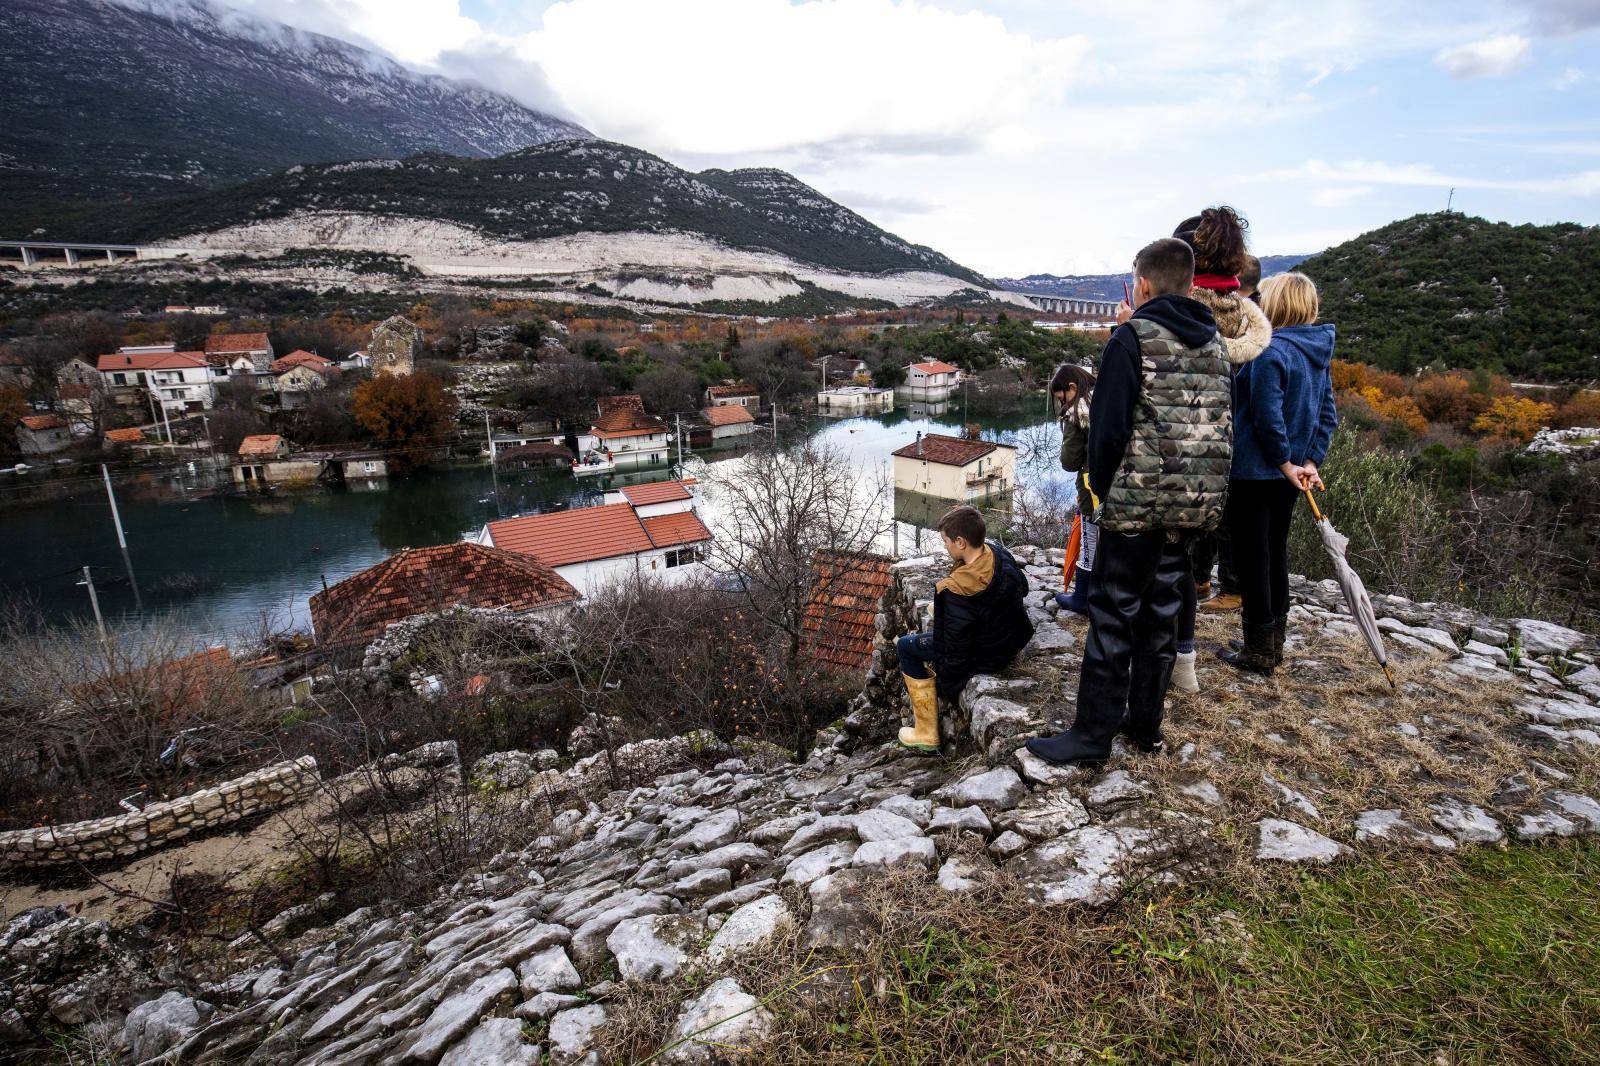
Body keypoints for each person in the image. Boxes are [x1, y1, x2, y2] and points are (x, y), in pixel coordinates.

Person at [1026, 238, 1232, 766]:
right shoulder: (1216, 344)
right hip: (1193, 503)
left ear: (1142, 283)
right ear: (1189, 283)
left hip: (1135, 505)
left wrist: (1101, 487)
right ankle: (1144, 727)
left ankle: (1091, 736)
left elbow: (1108, 431)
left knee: (1114, 615)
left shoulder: (1131, 338)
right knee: (1162, 615)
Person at [1169, 208, 1272, 691]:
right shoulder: (1240, 322)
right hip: (1223, 458)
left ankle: (1163, 666)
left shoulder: (1181, 320)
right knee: (1192, 563)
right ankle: (1186, 659)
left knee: (1168, 567)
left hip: (1173, 461)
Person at [1218, 271, 1338, 674]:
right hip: (1290, 479)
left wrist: (1285, 461)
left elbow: (1268, 417)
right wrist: (1309, 463)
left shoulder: (1270, 352)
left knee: (1254, 560)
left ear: (1274, 305)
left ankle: (1258, 649)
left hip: (1256, 473)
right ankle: (1272, 641)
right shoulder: (1317, 353)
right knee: (1274, 556)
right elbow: (1327, 416)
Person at [896, 506, 1034, 752]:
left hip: (986, 655)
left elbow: (955, 653)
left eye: (946, 541)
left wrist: (945, 687)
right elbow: (1022, 588)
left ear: (960, 542)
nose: (946, 547)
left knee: (906, 646)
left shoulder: (954, 590)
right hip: (1010, 638)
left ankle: (926, 732)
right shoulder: (998, 553)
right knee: (947, 615)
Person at [1049, 363, 1097, 615]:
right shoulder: (1108, 396)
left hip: (1093, 487)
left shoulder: (1078, 412)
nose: (1062, 405)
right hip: (1122, 487)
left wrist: (1069, 426)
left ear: (1072, 387)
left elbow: (1069, 461)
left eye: (1062, 398)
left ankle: (1083, 599)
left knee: (1089, 540)